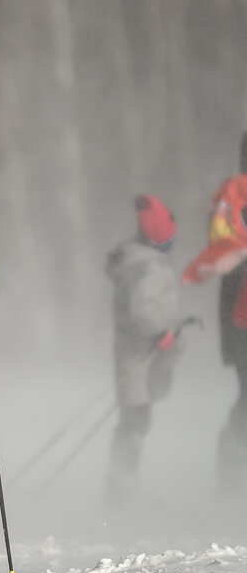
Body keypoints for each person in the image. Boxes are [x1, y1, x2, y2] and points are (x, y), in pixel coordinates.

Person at [106, 195, 184, 499]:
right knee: (135, 421)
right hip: (140, 356)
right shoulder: (149, 266)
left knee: (135, 419)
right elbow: (141, 307)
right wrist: (160, 332)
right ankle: (122, 488)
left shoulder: (136, 262)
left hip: (133, 354)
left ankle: (123, 484)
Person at [183, 132, 247, 494]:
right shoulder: (239, 202)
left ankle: (231, 477)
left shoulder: (233, 200)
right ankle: (231, 479)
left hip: (237, 327)